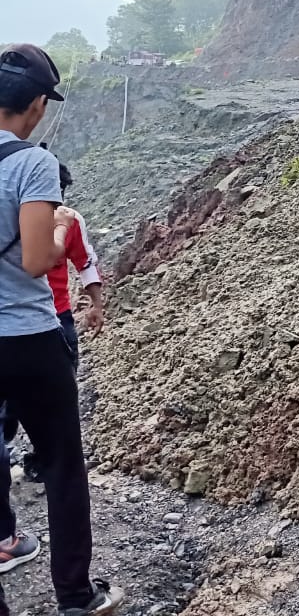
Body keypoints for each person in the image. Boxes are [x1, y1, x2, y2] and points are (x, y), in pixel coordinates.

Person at [0, 44, 124, 616]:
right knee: (63, 468)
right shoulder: (32, 162)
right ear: (37, 105)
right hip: (26, 336)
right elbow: (35, 259)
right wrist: (58, 230)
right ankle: (76, 595)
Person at [3, 160, 105, 485]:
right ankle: (8, 447)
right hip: (19, 322)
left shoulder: (72, 222)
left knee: (57, 396)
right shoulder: (17, 217)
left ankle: (43, 459)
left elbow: (84, 261)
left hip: (57, 319)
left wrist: (96, 304)